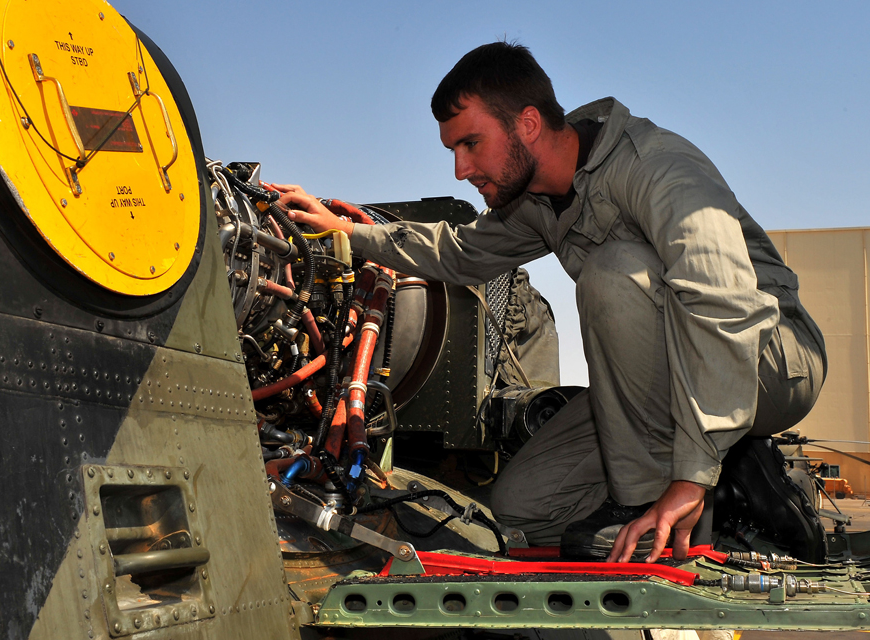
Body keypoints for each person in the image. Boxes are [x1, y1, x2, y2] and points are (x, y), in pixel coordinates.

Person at [274, 41, 826, 563]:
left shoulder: (657, 168)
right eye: (453, 151)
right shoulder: (537, 201)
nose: (461, 170)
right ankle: (727, 483)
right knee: (520, 512)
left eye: (471, 144)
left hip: (768, 361)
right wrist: (347, 231)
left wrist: (692, 474)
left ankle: (675, 490)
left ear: (529, 124)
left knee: (612, 273)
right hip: (669, 382)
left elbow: (722, 308)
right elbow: (461, 251)